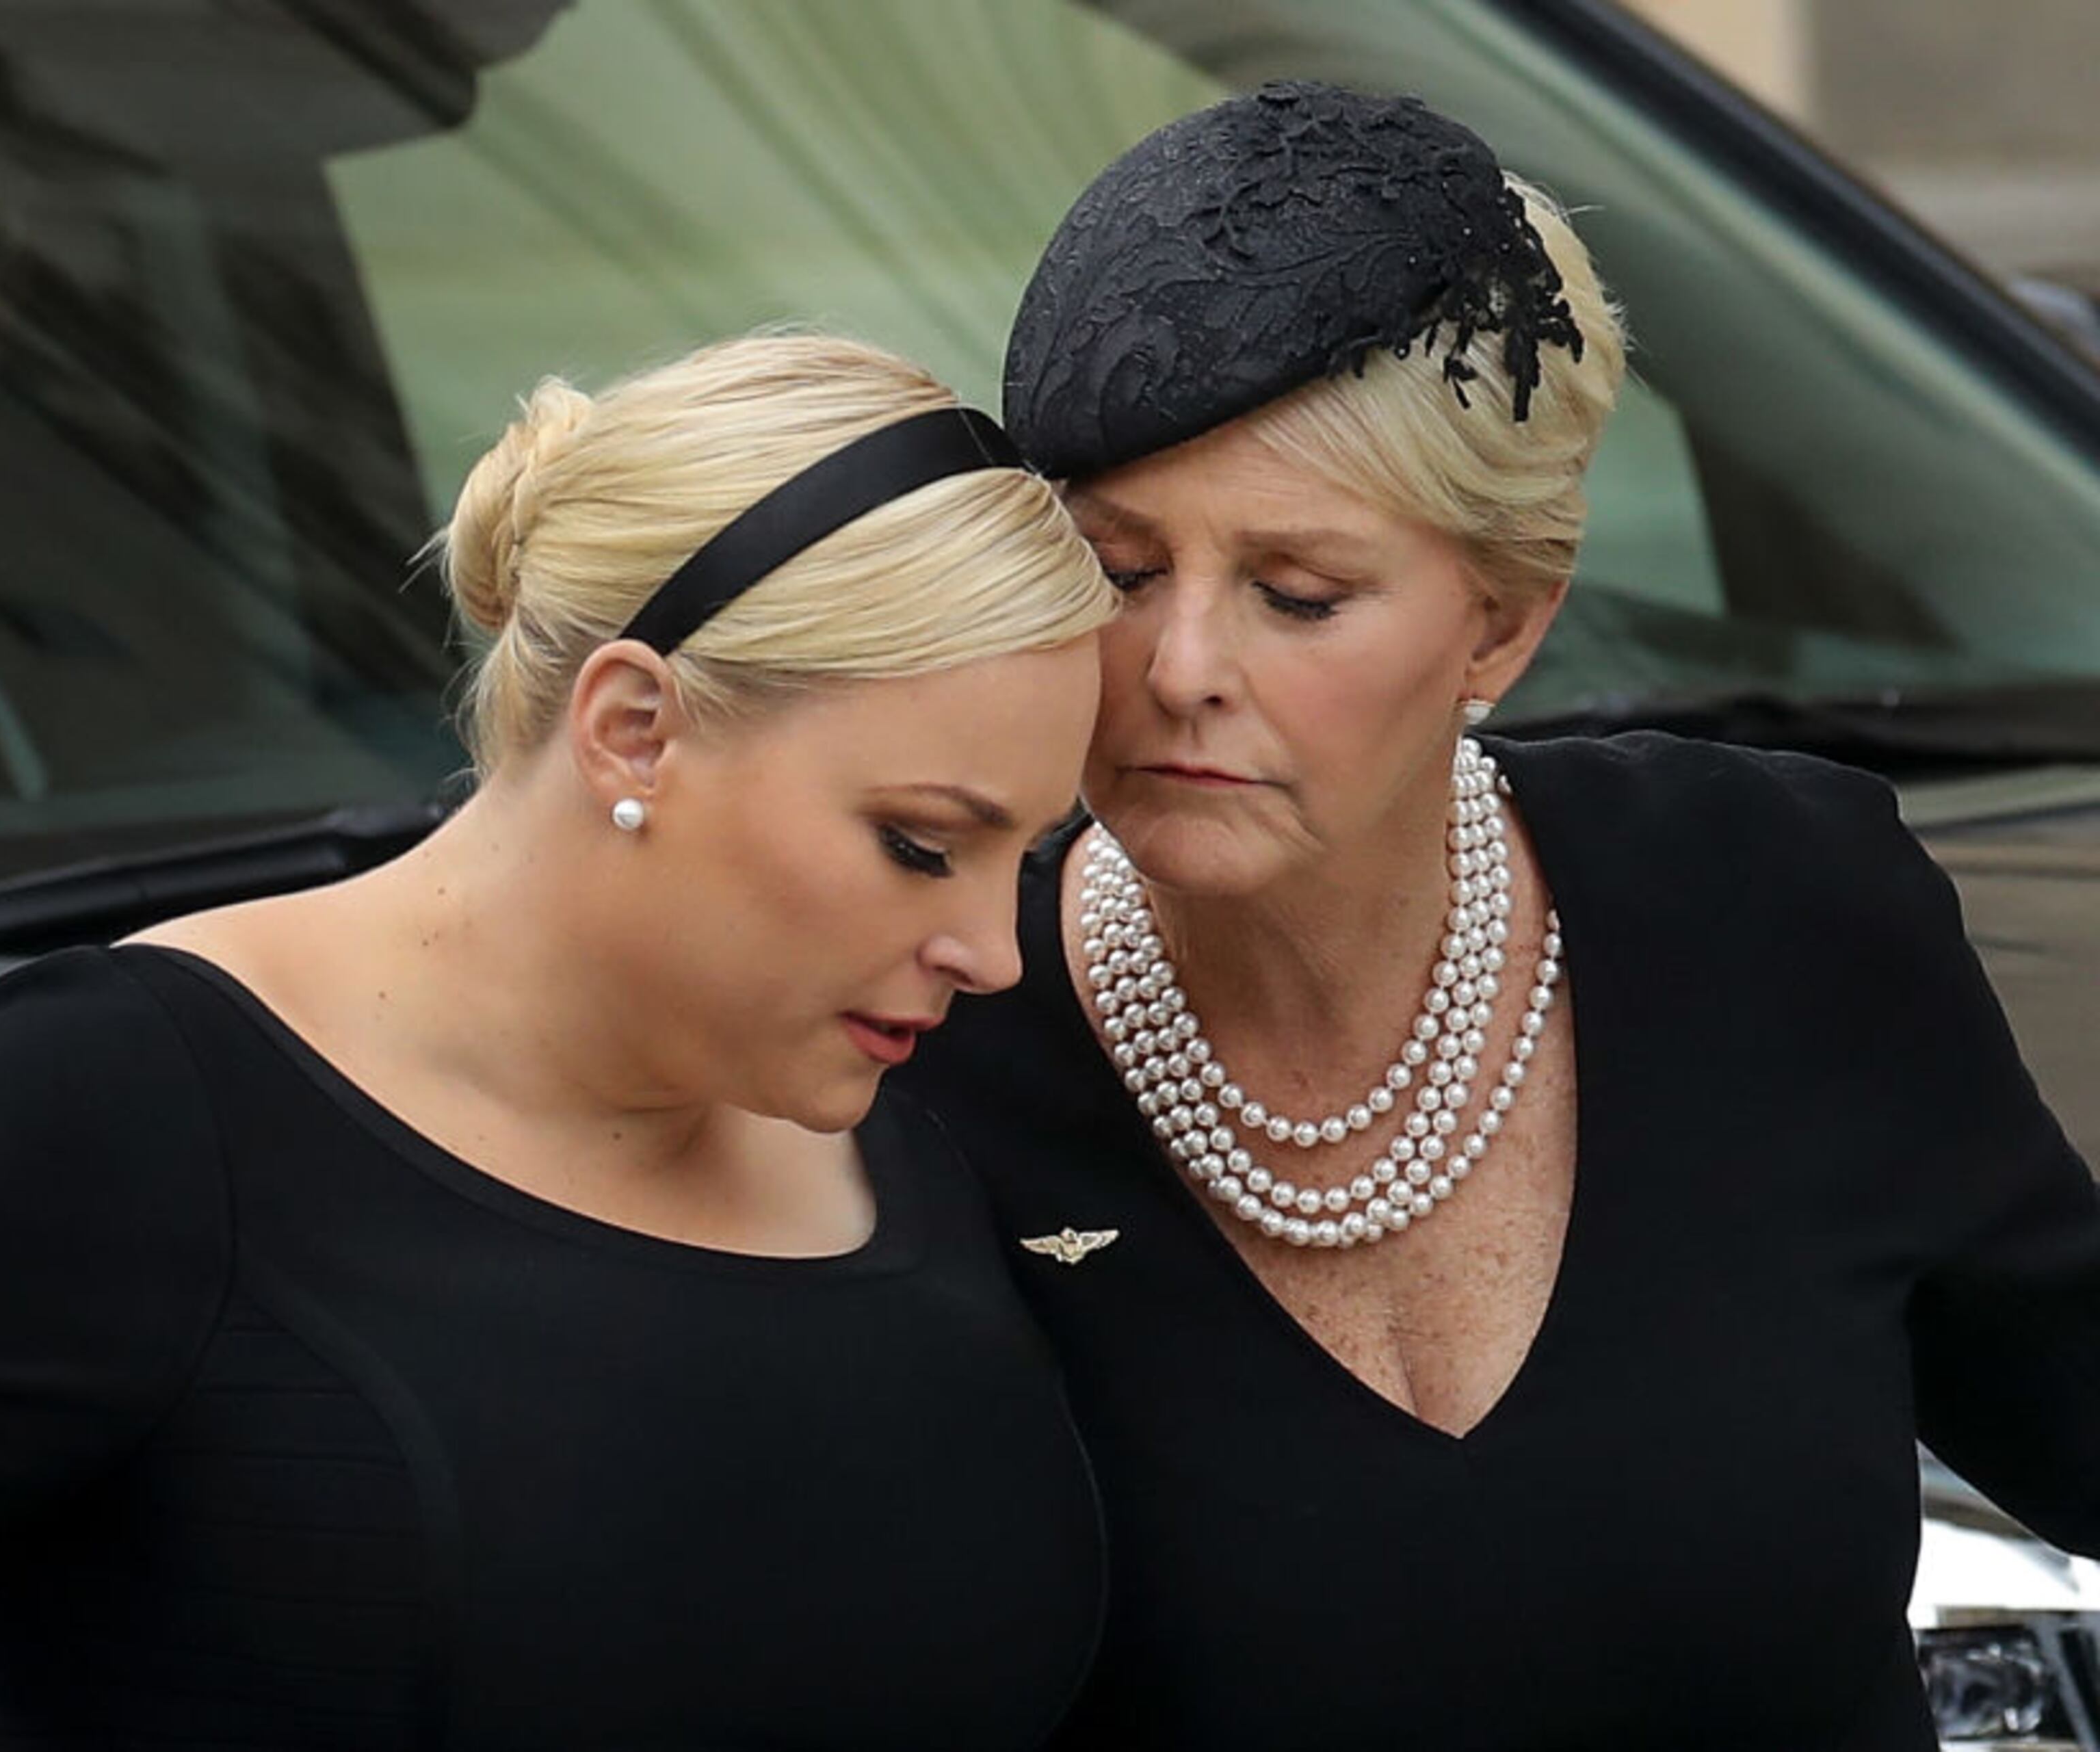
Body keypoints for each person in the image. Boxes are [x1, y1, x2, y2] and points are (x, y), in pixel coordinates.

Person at [899, 83, 2100, 1750]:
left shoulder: (1777, 907)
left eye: (1299, 595)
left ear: (1504, 628)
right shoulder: (913, 1035)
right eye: (1115, 570)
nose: (1179, 670)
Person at [0, 332, 1116, 1748]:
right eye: (922, 846)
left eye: (1031, 857)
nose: (991, 953)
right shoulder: (102, 1109)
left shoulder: (915, 1111)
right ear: (631, 730)